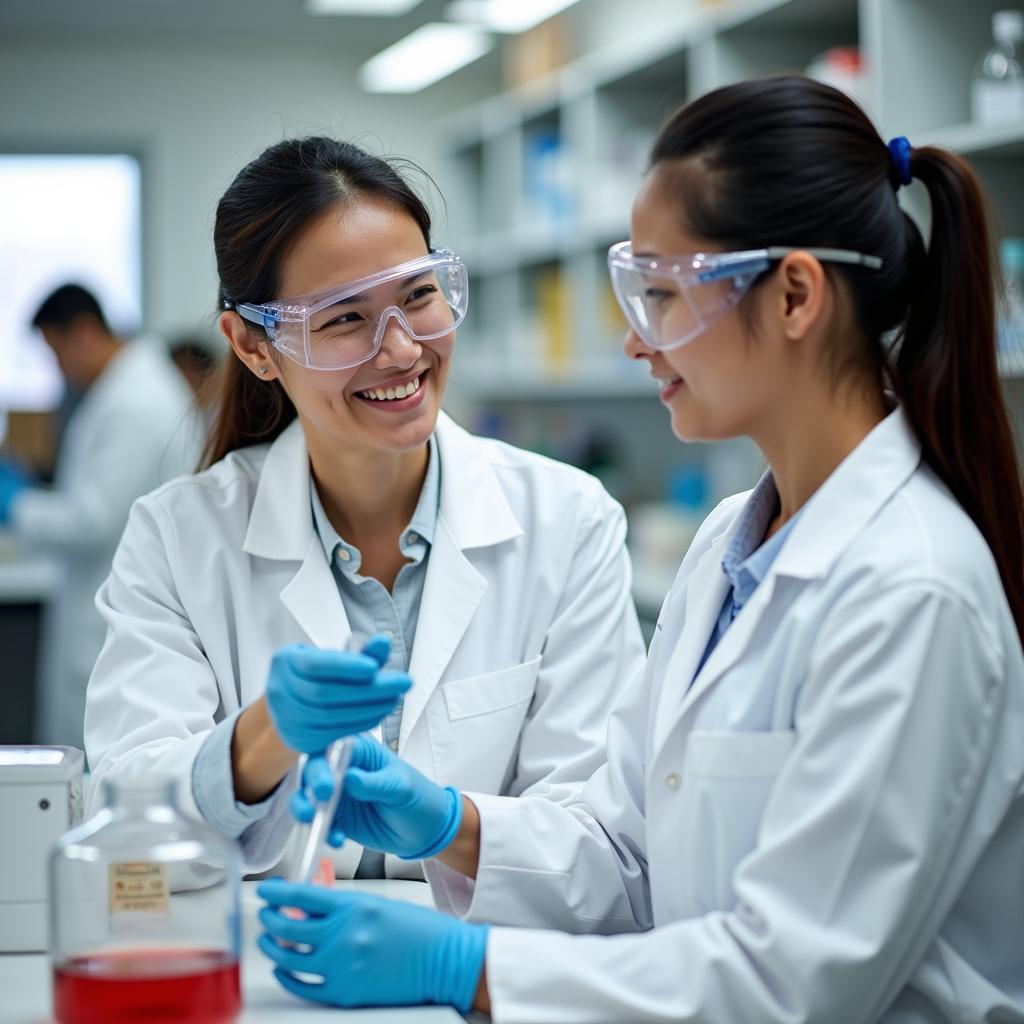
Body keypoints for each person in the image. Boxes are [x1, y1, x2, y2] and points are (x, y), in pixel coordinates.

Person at [256, 77, 1024, 1021]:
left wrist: (468, 968)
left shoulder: (913, 589)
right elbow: (630, 859)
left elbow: (790, 982)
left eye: (660, 293)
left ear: (793, 295)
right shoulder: (729, 546)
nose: (633, 338)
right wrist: (449, 824)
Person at [83, 137, 646, 881]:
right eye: (345, 319)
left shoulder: (568, 521)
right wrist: (262, 738)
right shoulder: (178, 539)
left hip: (489, 976)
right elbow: (127, 827)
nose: (404, 350)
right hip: (261, 978)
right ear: (253, 346)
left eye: (418, 295)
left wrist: (450, 828)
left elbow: (607, 843)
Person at [0, 284, 194, 750]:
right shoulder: (120, 391)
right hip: (97, 605)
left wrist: (15, 504)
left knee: (101, 769)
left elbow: (94, 520)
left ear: (84, 332)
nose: (58, 368)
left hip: (114, 616)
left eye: (55, 351)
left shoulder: (138, 400)